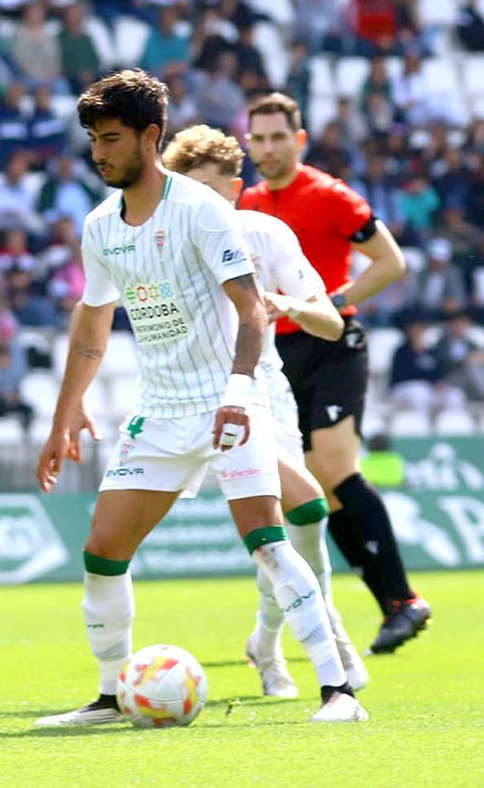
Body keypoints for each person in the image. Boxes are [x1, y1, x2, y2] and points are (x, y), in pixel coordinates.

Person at [34, 71, 365, 727]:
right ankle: (108, 696)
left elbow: (251, 313)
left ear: (149, 137)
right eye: (94, 141)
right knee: (102, 551)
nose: (98, 153)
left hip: (226, 405)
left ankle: (340, 695)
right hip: (159, 413)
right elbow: (92, 322)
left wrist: (240, 393)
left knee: (269, 543)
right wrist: (65, 411)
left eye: (110, 139)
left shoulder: (200, 211)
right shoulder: (101, 226)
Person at [163, 123, 369, 698]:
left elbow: (330, 323)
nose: (199, 203)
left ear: (235, 189)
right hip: (191, 400)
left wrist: (286, 305)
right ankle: (324, 638)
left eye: (211, 191)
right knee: (293, 518)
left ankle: (276, 639)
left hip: (264, 394)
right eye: (187, 190)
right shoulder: (163, 242)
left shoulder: (265, 234)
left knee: (292, 522)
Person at [239, 92, 428, 654]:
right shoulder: (246, 202)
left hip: (334, 345)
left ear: (298, 141)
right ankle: (395, 603)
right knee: (318, 486)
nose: (267, 148)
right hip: (280, 356)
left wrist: (333, 299)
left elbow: (392, 262)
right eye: (259, 138)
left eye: (278, 138)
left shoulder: (329, 195)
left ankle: (403, 600)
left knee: (333, 468)